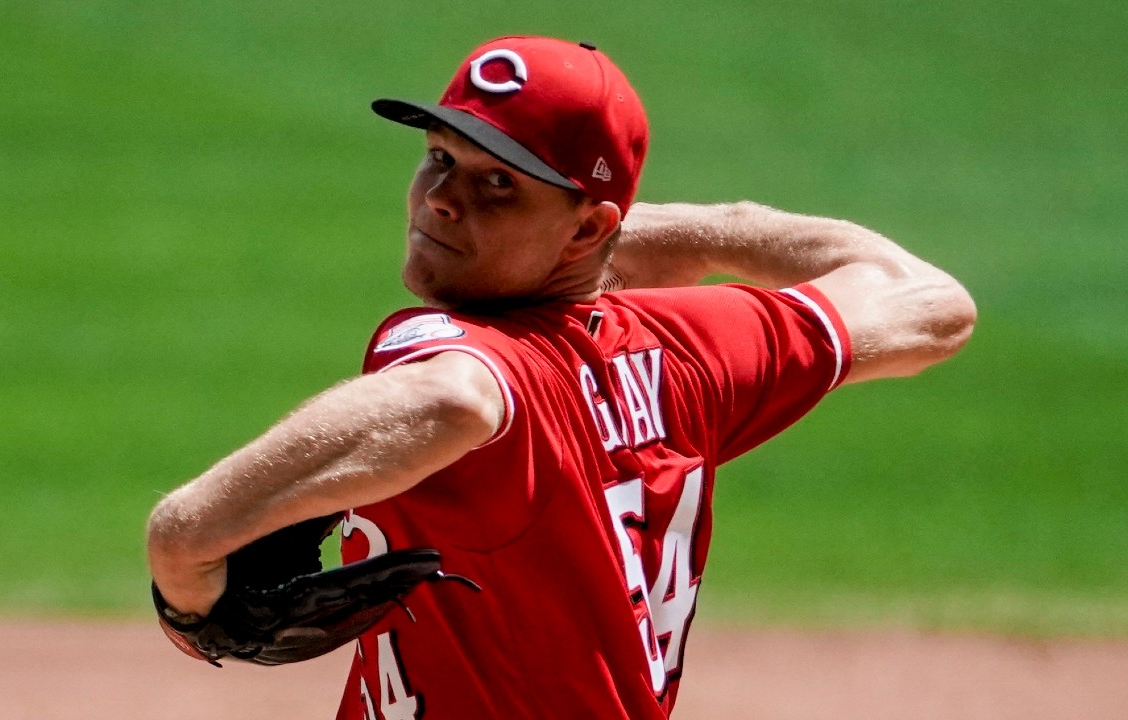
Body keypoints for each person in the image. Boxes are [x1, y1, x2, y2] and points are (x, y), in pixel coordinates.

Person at [147, 35, 976, 719]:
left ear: (586, 229)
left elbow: (456, 396)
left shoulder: (455, 348)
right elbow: (930, 304)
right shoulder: (696, 349)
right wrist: (702, 231)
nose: (442, 198)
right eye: (440, 156)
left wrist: (183, 550)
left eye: (498, 184)